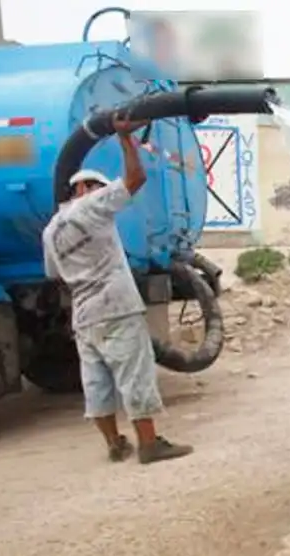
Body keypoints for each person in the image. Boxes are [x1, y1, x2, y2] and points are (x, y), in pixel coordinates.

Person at [42, 113, 193, 466]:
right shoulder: (92, 207)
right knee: (134, 375)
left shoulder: (50, 230)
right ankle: (149, 444)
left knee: (96, 383)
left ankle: (114, 443)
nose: (101, 192)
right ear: (83, 189)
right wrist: (125, 138)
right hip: (117, 307)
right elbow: (135, 179)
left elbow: (54, 273)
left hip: (84, 316)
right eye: (97, 186)